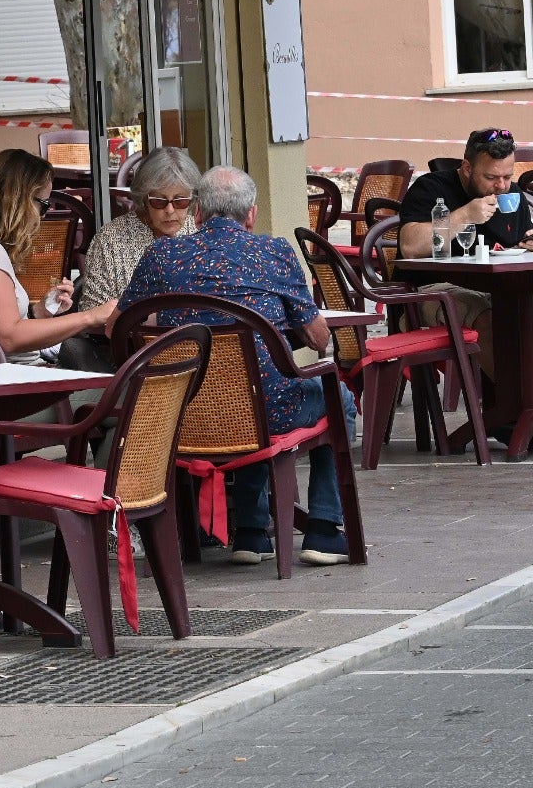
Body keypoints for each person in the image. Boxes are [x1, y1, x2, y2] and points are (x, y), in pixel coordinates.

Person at [112, 167, 358, 567]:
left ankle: (251, 532)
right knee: (335, 397)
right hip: (266, 411)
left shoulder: (162, 255)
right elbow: (317, 338)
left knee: (251, 390)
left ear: (196, 213)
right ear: (251, 215)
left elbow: (118, 327)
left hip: (182, 413)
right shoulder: (274, 253)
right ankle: (325, 530)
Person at [399, 128, 533, 451]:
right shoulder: (432, 189)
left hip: (498, 287)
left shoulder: (512, 198)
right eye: (491, 177)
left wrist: (530, 245)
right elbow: (410, 245)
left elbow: (523, 238)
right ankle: (518, 410)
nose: (501, 185)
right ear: (467, 168)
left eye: (507, 176)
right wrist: (464, 215)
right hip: (431, 292)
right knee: (482, 312)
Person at [0, 148, 116, 361]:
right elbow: (7, 338)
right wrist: (89, 317)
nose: (42, 216)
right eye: (43, 205)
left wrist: (37, 313)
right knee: (111, 389)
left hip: (10, 377)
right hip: (12, 386)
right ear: (18, 200)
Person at [60, 146, 201, 373]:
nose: (170, 210)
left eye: (181, 201)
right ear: (144, 198)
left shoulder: (197, 231)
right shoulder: (112, 239)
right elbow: (94, 312)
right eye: (159, 201)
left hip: (194, 352)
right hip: (130, 358)